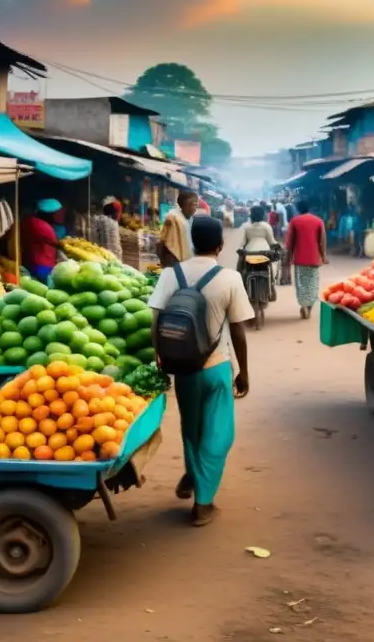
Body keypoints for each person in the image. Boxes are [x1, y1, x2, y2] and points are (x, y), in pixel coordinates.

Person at [148, 216, 254, 526]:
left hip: (183, 371)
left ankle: (193, 475)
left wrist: (161, 357)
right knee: (218, 435)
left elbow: (155, 321)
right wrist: (244, 371)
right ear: (220, 246)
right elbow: (238, 331)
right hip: (216, 368)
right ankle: (203, 504)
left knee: (191, 431)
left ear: (192, 243)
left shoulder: (170, 275)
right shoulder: (230, 278)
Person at [286, 200, 327, 319]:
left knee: (301, 284)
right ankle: (309, 308)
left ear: (298, 209)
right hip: (314, 258)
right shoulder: (318, 221)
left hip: (300, 259)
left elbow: (290, 243)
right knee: (312, 284)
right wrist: (323, 256)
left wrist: (288, 258)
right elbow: (322, 241)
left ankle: (303, 305)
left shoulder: (295, 221)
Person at [20, 199, 62, 282]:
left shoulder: (26, 222)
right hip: (44, 266)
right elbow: (57, 244)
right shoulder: (43, 226)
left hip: (30, 263)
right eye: (55, 213)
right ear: (49, 214)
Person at [160, 188, 199, 267]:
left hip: (187, 260)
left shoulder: (190, 218)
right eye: (193, 204)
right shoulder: (173, 217)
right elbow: (169, 244)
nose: (195, 208)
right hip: (174, 261)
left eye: (196, 205)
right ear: (185, 205)